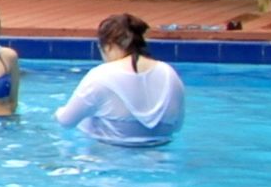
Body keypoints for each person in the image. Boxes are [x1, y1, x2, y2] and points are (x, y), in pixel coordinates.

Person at [53, 12, 185, 146]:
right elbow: (177, 126)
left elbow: (66, 121)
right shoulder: (169, 73)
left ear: (108, 46)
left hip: (107, 153)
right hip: (159, 153)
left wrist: (58, 112)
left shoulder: (101, 75)